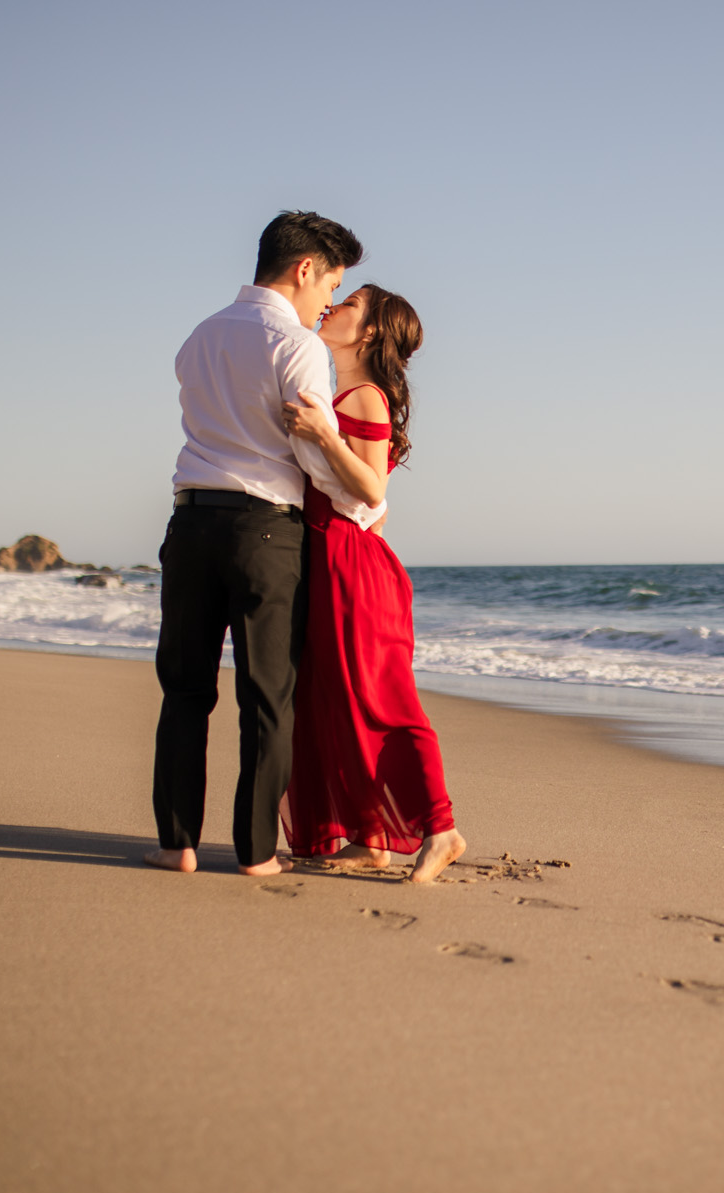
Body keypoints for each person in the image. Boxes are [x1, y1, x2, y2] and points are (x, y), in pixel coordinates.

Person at [147, 211, 379, 876]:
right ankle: (254, 852)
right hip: (265, 530)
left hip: (189, 522)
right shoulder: (297, 344)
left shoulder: (199, 336)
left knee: (184, 689)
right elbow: (310, 457)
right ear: (304, 269)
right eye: (330, 283)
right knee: (266, 695)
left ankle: (176, 843)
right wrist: (368, 499)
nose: (328, 300)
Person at [278, 285, 467, 883]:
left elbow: (372, 491)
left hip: (353, 567)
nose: (334, 308)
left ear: (370, 334)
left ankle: (442, 829)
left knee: (383, 701)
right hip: (329, 555)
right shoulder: (340, 392)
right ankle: (370, 837)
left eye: (351, 304)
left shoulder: (365, 398)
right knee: (333, 703)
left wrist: (324, 434)